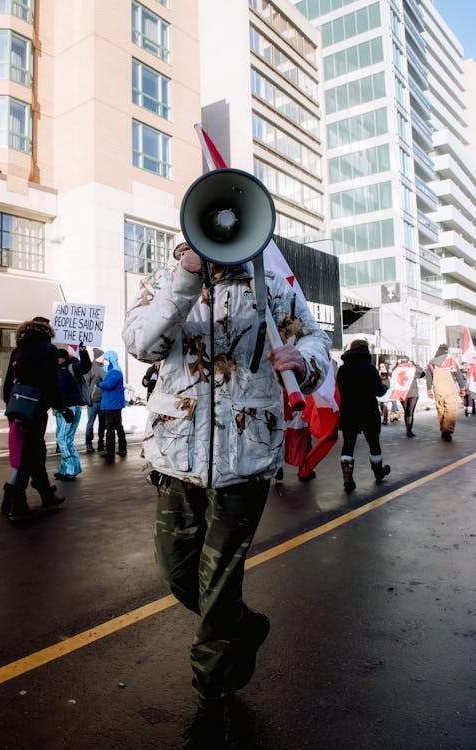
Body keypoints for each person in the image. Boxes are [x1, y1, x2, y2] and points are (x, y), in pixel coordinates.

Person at [122, 241, 331, 749]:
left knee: (217, 584)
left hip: (247, 459)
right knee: (175, 569)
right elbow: (141, 344)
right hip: (176, 456)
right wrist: (186, 278)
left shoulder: (270, 286)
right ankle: (244, 624)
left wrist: (301, 361)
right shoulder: (164, 279)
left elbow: (318, 346)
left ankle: (212, 699)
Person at [2, 316, 74, 521]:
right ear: (46, 330)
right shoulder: (47, 350)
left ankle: (45, 495)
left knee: (36, 450)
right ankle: (17, 501)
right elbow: (50, 383)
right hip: (36, 409)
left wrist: (12, 407)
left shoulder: (20, 349)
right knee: (30, 453)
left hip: (19, 409)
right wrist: (62, 407)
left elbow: (9, 383)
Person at [337, 339, 390, 492]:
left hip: (348, 411)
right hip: (368, 411)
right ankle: (378, 473)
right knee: (374, 443)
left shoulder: (342, 370)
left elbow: (340, 390)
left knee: (348, 444)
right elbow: (379, 391)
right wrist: (385, 384)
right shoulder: (370, 369)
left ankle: (347, 479)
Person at [55, 345, 92, 480]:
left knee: (63, 439)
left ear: (61, 359)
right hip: (61, 409)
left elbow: (86, 366)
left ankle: (71, 470)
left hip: (70, 408)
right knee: (65, 439)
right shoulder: (56, 370)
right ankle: (66, 469)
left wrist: (83, 351)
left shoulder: (72, 366)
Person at [425, 343, 466, 441]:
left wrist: (429, 389)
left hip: (438, 389)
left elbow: (429, 377)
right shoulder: (451, 361)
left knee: (441, 409)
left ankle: (443, 429)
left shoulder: (432, 363)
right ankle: (448, 430)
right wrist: (462, 388)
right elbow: (459, 375)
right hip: (450, 389)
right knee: (451, 409)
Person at [98, 350, 127, 464]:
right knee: (118, 426)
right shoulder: (114, 369)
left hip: (112, 404)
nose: (104, 361)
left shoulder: (115, 371)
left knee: (110, 427)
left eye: (106, 359)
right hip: (114, 403)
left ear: (110, 359)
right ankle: (122, 448)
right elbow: (106, 370)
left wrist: (99, 384)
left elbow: (109, 384)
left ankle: (110, 452)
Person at [389, 356, 424, 437]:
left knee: (408, 411)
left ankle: (409, 429)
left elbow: (422, 374)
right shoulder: (401, 369)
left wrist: (414, 365)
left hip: (408, 393)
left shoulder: (411, 368)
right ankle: (409, 429)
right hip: (406, 393)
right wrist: (415, 365)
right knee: (409, 411)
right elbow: (422, 374)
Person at [85, 347, 106, 452]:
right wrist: (88, 398)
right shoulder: (91, 368)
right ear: (97, 357)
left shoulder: (102, 368)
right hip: (92, 402)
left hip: (102, 401)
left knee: (102, 424)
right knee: (90, 423)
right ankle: (88, 444)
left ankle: (101, 443)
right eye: (102, 356)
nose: (104, 358)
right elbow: (85, 383)